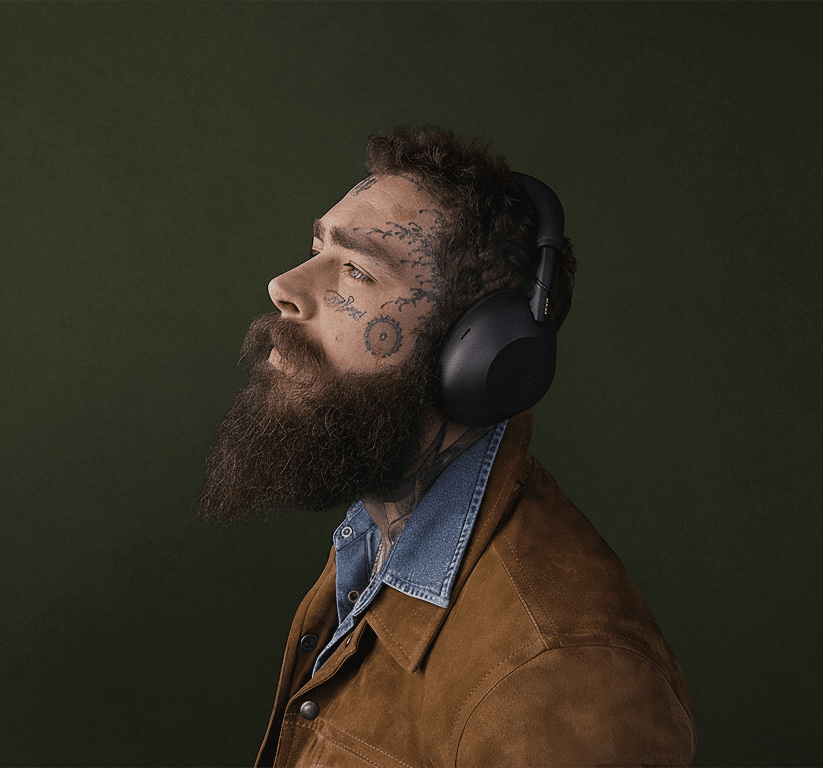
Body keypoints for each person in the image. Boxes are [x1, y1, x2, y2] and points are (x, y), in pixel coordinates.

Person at [196, 126, 695, 766]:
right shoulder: (374, 540)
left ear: (478, 356)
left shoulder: (561, 683)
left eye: (356, 269)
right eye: (315, 246)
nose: (284, 286)